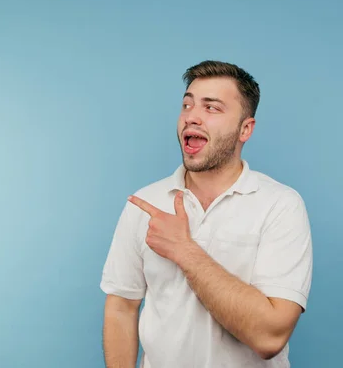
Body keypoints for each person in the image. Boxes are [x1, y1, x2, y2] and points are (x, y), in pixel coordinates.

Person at [100, 60, 313, 368]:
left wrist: (184, 250)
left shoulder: (280, 205)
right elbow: (121, 305)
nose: (192, 117)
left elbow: (269, 337)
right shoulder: (145, 202)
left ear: (245, 129)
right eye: (187, 105)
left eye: (211, 108)